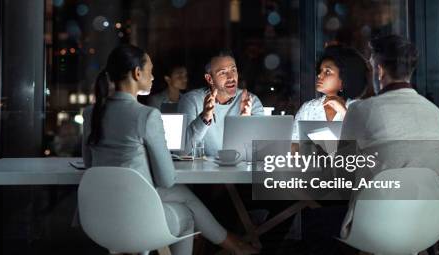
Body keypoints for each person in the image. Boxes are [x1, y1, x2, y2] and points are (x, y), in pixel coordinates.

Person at [87, 45, 258, 255]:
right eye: (150, 71)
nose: (153, 77)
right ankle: (234, 245)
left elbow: (89, 166)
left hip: (97, 216)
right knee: (186, 214)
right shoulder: (148, 116)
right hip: (134, 214)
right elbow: (166, 179)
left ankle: (234, 245)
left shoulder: (91, 114)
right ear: (136, 73)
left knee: (187, 203)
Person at [339, 35, 439, 253]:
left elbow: (342, 173)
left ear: (379, 70)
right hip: (428, 225)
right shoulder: (435, 113)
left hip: (374, 227)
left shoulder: (361, 110)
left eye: (371, 66)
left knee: (313, 220)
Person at [178, 49, 264, 156]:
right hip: (202, 171)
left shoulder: (250, 101)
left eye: (233, 70)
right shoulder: (191, 101)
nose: (231, 77)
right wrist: (205, 117)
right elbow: (182, 151)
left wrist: (244, 122)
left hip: (239, 171)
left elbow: (260, 153)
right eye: (223, 73)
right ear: (210, 79)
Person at [293, 45, 372, 123]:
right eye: (320, 71)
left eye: (327, 72)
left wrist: (343, 111)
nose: (319, 75)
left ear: (345, 77)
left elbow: (364, 134)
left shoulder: (360, 108)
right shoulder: (308, 108)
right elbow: (294, 135)